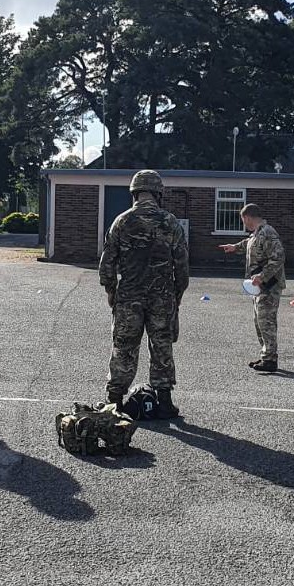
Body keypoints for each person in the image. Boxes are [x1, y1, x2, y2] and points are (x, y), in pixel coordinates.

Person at [99, 170, 189, 418]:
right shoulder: (170, 222)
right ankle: (165, 402)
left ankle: (114, 400)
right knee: (161, 346)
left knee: (124, 347)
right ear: (158, 193)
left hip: (129, 297)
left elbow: (107, 264)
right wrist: (177, 295)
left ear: (134, 192)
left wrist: (111, 291)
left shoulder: (122, 221)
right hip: (162, 297)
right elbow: (182, 266)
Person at [219, 203, 286, 372]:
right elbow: (249, 242)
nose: (243, 223)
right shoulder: (256, 234)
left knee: (267, 322)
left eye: (243, 220)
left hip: (269, 286)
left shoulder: (268, 232)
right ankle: (266, 355)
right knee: (259, 321)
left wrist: (262, 276)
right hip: (259, 286)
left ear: (247, 217)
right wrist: (235, 247)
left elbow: (278, 258)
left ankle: (270, 359)